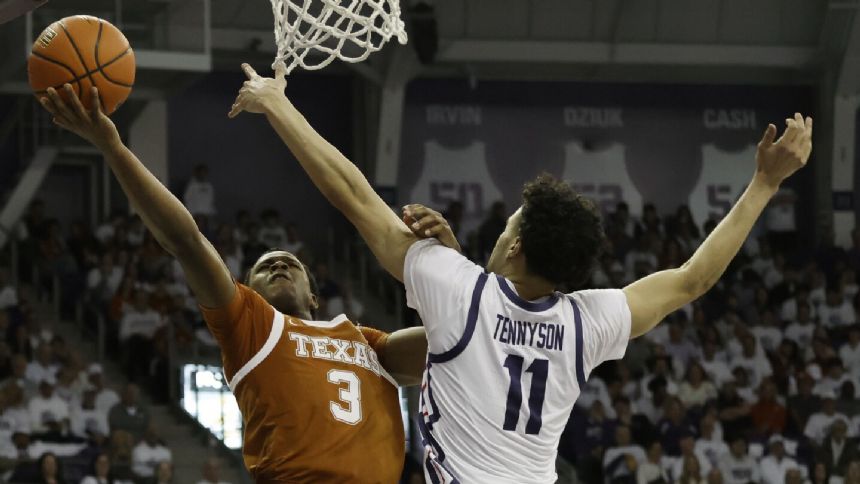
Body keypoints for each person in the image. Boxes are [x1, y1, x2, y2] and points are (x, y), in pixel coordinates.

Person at [231, 63, 813, 483]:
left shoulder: (458, 289)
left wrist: (278, 104)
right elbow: (693, 278)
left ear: (512, 249)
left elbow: (354, 194)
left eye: (508, 227)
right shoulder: (588, 320)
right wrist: (764, 183)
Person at [40, 84, 458, 482]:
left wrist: (449, 261)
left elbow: (463, 336)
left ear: (314, 294)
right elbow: (186, 241)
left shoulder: (369, 344)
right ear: (250, 290)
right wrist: (113, 147)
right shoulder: (250, 327)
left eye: (289, 264)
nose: (278, 266)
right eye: (265, 267)